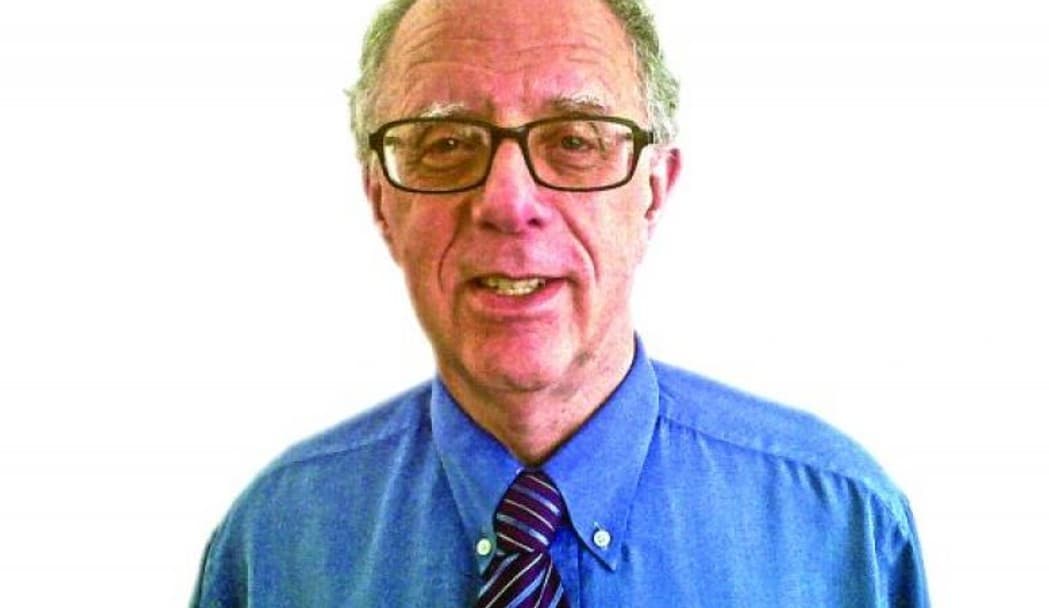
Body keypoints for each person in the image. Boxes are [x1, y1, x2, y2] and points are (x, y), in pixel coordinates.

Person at [191, 0, 930, 605]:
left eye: (575, 140)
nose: (508, 202)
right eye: (444, 144)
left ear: (653, 192)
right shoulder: (276, 542)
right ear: (382, 202)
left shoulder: (843, 528)